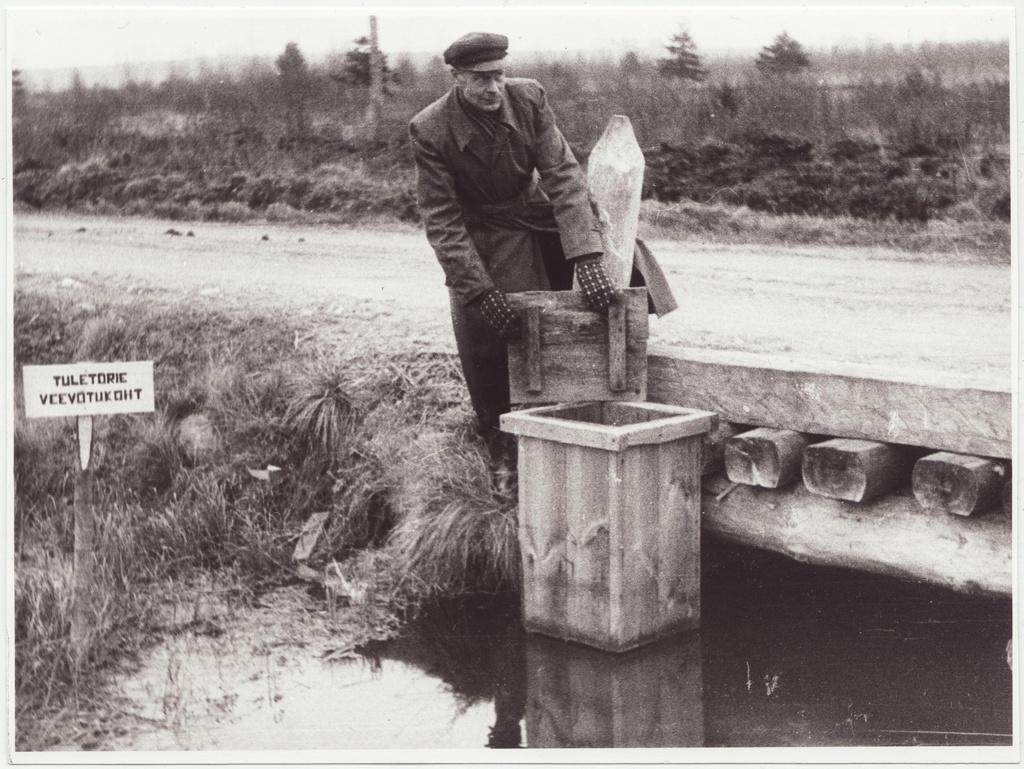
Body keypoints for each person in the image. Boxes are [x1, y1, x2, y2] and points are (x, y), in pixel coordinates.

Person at [409, 32, 617, 470]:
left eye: (498, 75)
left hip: (532, 212)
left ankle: (602, 393)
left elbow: (562, 174)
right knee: (490, 334)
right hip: (482, 230)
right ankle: (502, 448)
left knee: (623, 265)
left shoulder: (529, 98)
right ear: (456, 77)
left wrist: (587, 255)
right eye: (479, 78)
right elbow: (443, 222)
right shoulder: (429, 128)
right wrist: (481, 292)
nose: (492, 88)